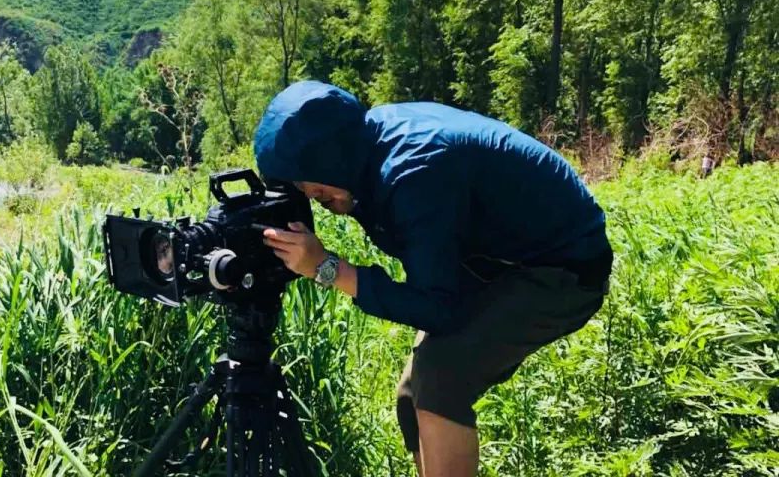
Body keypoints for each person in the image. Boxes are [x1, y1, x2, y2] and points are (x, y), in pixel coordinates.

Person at [254, 81, 612, 477]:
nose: (310, 193)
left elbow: (439, 308)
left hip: (564, 266)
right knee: (413, 393)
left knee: (441, 376)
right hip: (497, 258)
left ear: (335, 156)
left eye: (312, 181)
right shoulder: (366, 147)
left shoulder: (414, 170)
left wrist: (329, 269)